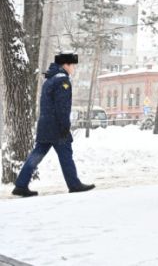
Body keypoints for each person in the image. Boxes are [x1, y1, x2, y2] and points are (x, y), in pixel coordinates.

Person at [11, 52, 95, 197]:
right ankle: (74, 184)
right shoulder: (62, 81)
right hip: (57, 127)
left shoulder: (49, 80)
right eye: (72, 65)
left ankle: (21, 184)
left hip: (45, 125)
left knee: (37, 154)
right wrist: (65, 126)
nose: (73, 68)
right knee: (66, 154)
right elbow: (62, 106)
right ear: (65, 65)